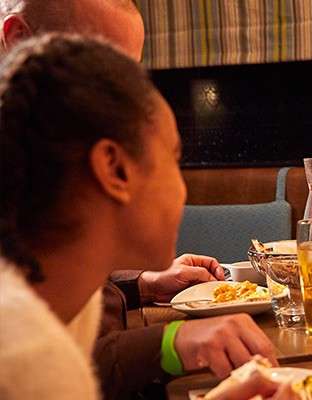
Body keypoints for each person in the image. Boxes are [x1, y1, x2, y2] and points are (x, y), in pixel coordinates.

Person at [0, 2, 282, 397]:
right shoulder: (26, 359)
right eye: (175, 159)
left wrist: (142, 284)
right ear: (114, 168)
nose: (122, 97)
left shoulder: (48, 293)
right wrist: (172, 342)